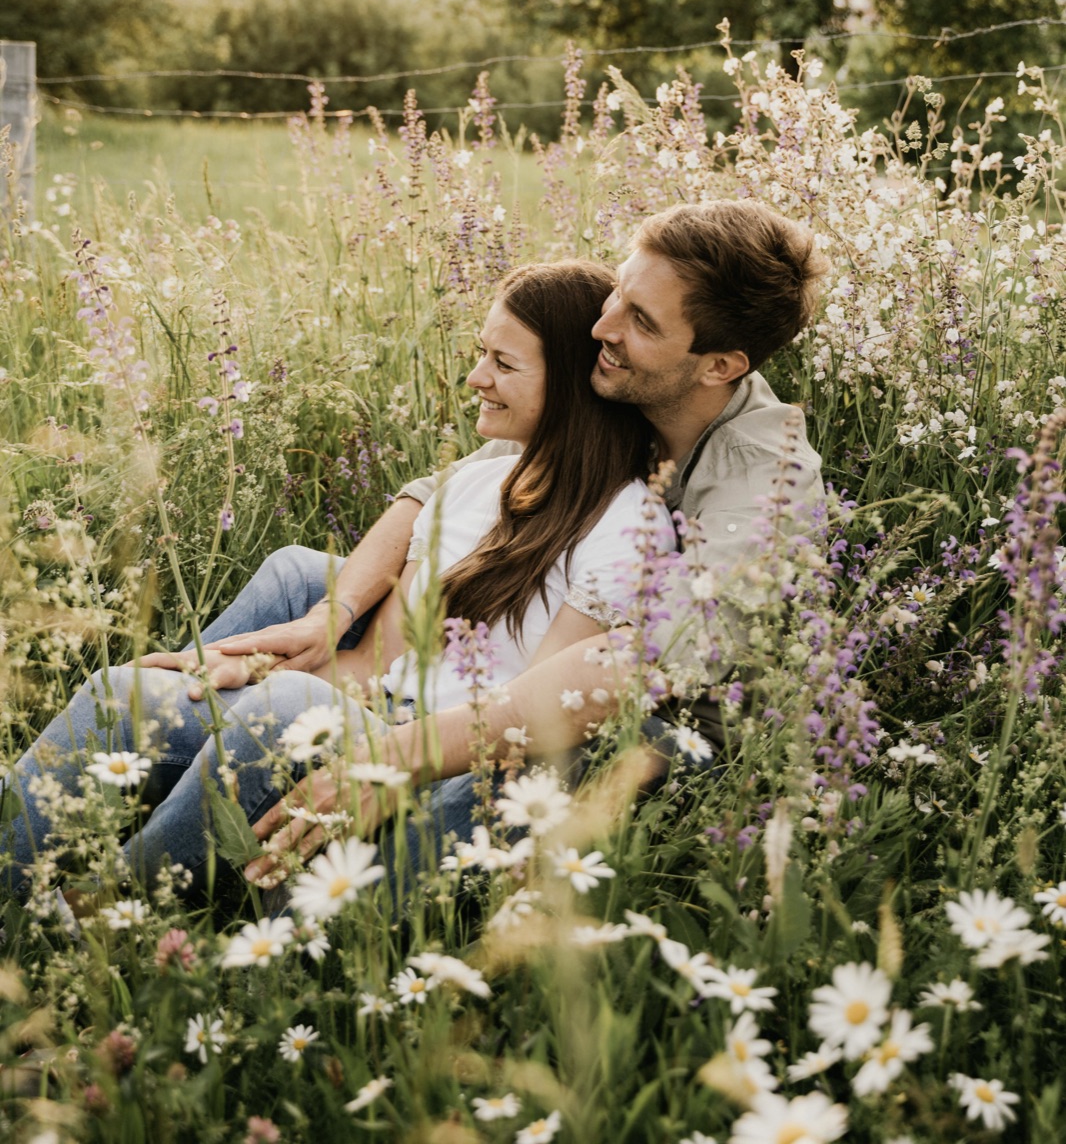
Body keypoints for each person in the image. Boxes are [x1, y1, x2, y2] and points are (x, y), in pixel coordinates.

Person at [187, 198, 830, 884]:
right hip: (553, 628)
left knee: (502, 771)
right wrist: (335, 614)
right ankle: (176, 740)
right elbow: (433, 496)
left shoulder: (768, 484)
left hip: (647, 717)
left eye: (640, 321)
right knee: (299, 575)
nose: (601, 326)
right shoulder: (627, 380)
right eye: (618, 292)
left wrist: (406, 751)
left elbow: (639, 663)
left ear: (718, 366)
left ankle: (332, 897)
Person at [0, 261, 674, 899]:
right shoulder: (476, 484)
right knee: (123, 692)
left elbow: (534, 723)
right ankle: (16, 859)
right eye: (480, 353)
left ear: (568, 386)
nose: (474, 377)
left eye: (503, 363)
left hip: (441, 762)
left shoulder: (626, 529)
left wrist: (313, 706)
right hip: (367, 716)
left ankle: (102, 907)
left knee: (284, 704)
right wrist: (257, 665)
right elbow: (380, 666)